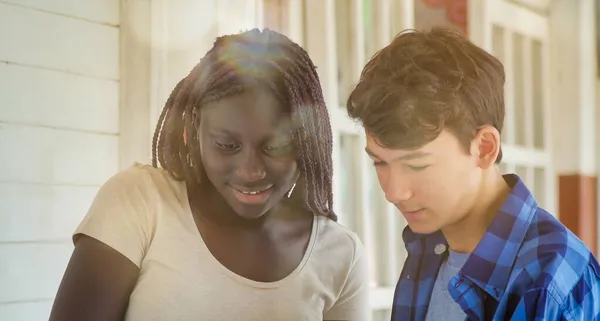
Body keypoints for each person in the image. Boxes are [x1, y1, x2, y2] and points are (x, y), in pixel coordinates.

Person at [49, 28, 369, 321]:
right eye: (227, 145)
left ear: (306, 143)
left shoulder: (340, 256)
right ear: (194, 130)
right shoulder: (140, 203)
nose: (250, 171)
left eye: (274, 148)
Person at [346, 27, 600, 321]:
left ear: (484, 148)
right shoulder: (427, 249)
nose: (394, 193)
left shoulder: (551, 280)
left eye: (416, 165)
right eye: (380, 163)